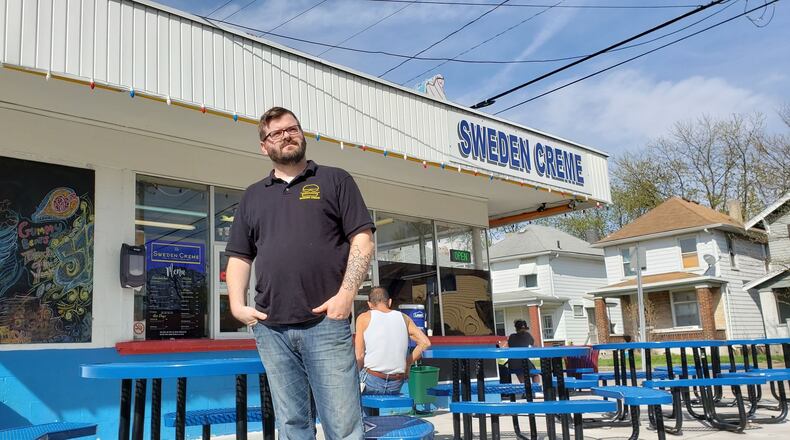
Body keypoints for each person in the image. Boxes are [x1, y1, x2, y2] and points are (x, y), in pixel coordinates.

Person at [226, 106, 375, 440]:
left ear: (302, 133)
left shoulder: (335, 180)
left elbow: (363, 240)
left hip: (326, 323)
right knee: (292, 425)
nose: (286, 136)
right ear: (264, 146)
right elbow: (239, 256)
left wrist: (347, 295)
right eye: (276, 133)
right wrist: (236, 305)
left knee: (344, 426)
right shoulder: (252, 196)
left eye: (292, 128)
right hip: (271, 329)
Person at [354, 287, 432, 401]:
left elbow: (360, 355)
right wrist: (408, 362)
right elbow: (425, 343)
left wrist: (353, 379)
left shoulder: (364, 318)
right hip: (396, 383)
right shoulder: (404, 318)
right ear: (389, 302)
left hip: (372, 379)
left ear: (369, 304)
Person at [507, 319, 543, 397]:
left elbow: (510, 346)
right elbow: (535, 345)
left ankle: (526, 391)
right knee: (535, 374)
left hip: (513, 362)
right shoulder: (527, 335)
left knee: (520, 373)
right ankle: (536, 391)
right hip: (522, 361)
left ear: (516, 328)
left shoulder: (512, 337)